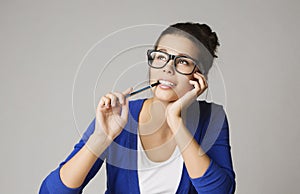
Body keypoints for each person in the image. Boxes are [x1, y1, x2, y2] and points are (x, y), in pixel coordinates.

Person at [39, 22, 236, 194]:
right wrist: (101, 138)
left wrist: (175, 121)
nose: (167, 68)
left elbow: (220, 191)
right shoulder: (120, 114)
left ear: (199, 77)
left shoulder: (212, 117)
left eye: (183, 61)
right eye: (161, 57)